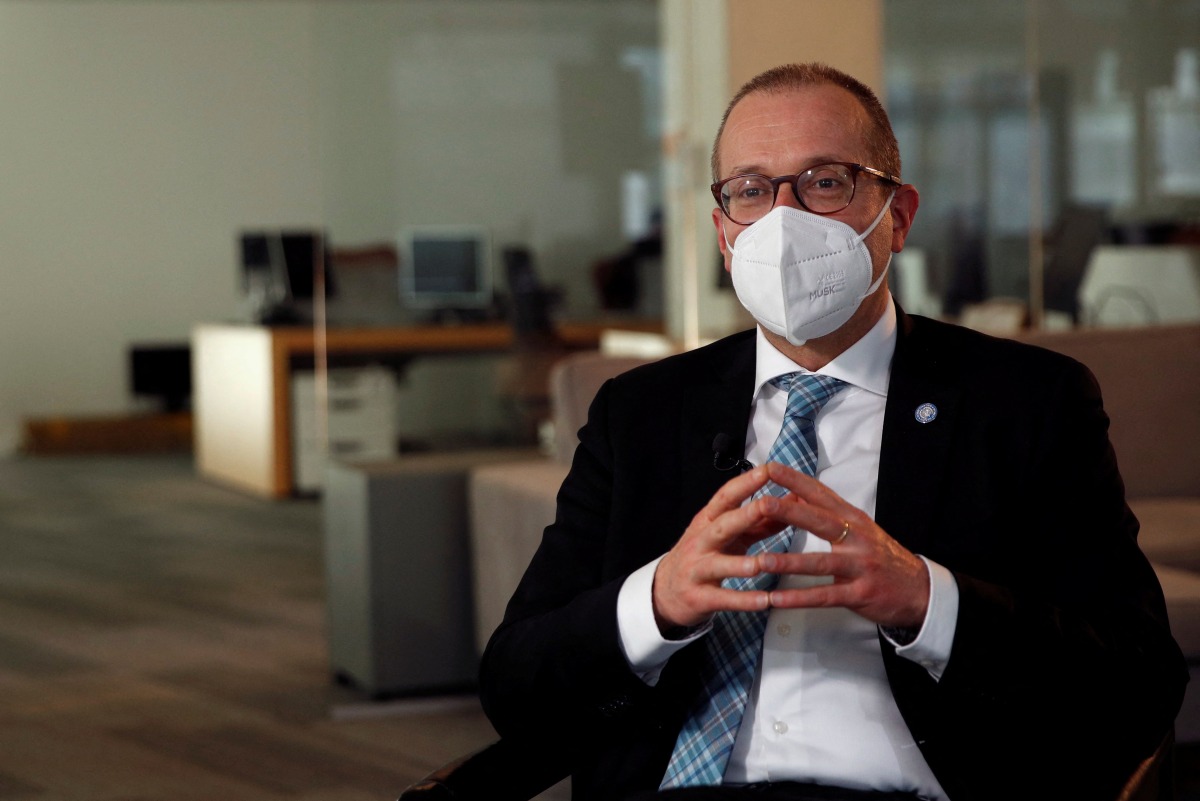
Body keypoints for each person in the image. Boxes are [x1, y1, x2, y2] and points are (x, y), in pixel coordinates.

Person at [478, 62, 1186, 801]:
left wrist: (928, 601)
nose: (784, 220)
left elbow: (1137, 686)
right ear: (724, 233)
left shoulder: (1027, 403)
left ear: (899, 215)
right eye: (750, 190)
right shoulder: (641, 412)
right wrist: (655, 601)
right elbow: (514, 682)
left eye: (824, 182)